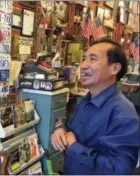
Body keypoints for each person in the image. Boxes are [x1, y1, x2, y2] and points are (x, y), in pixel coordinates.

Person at [51, 38, 140, 174]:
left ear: (114, 68)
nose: (83, 65)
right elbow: (72, 132)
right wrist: (61, 132)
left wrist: (74, 148)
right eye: (84, 59)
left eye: (93, 59)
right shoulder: (85, 101)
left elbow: (119, 170)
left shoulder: (123, 113)